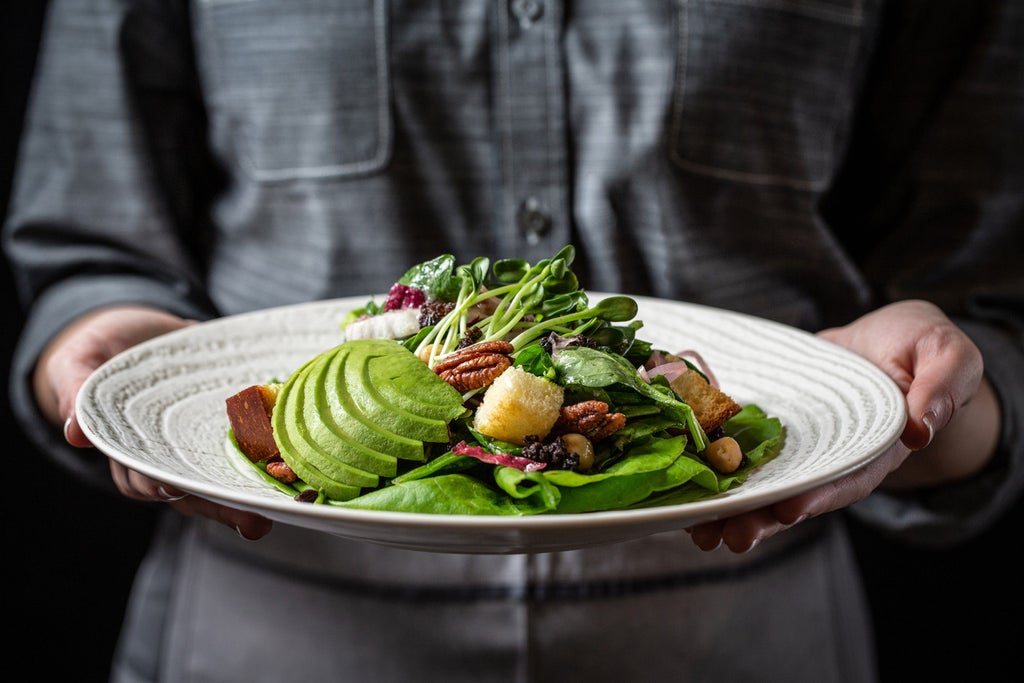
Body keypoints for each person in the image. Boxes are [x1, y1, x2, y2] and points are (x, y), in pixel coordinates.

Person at [4, 1, 1021, 681]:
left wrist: (916, 395)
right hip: (280, 627)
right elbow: (90, 246)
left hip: (740, 626)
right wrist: (106, 348)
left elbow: (983, 311)